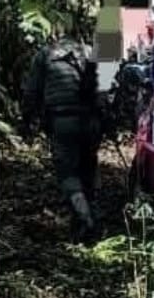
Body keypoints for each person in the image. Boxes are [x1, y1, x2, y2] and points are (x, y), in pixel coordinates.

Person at [22, 26, 102, 241]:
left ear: (57, 38)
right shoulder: (89, 52)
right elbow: (104, 90)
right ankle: (89, 216)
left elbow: (32, 92)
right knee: (87, 168)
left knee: (68, 173)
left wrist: (27, 120)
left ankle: (85, 218)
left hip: (62, 121)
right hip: (90, 121)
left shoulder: (46, 55)